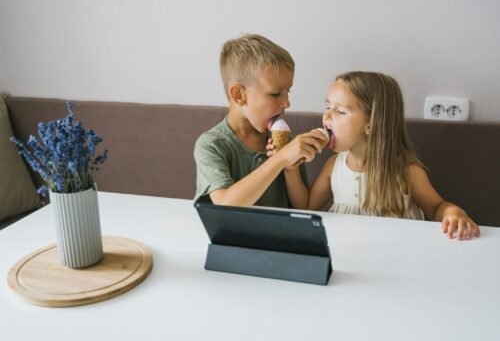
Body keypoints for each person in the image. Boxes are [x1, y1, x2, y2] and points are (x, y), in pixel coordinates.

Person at [270, 71, 480, 240]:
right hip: (348, 253)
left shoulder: (406, 171)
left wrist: (453, 213)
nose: (326, 116)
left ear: (371, 125)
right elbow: (306, 207)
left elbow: (436, 208)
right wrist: (290, 168)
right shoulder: (334, 165)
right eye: (327, 107)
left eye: (340, 111)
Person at [193, 34, 325, 208]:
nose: (287, 103)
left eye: (288, 92)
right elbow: (225, 203)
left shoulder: (288, 144)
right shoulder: (211, 145)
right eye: (275, 94)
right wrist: (281, 159)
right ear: (239, 95)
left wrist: (290, 168)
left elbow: (303, 208)